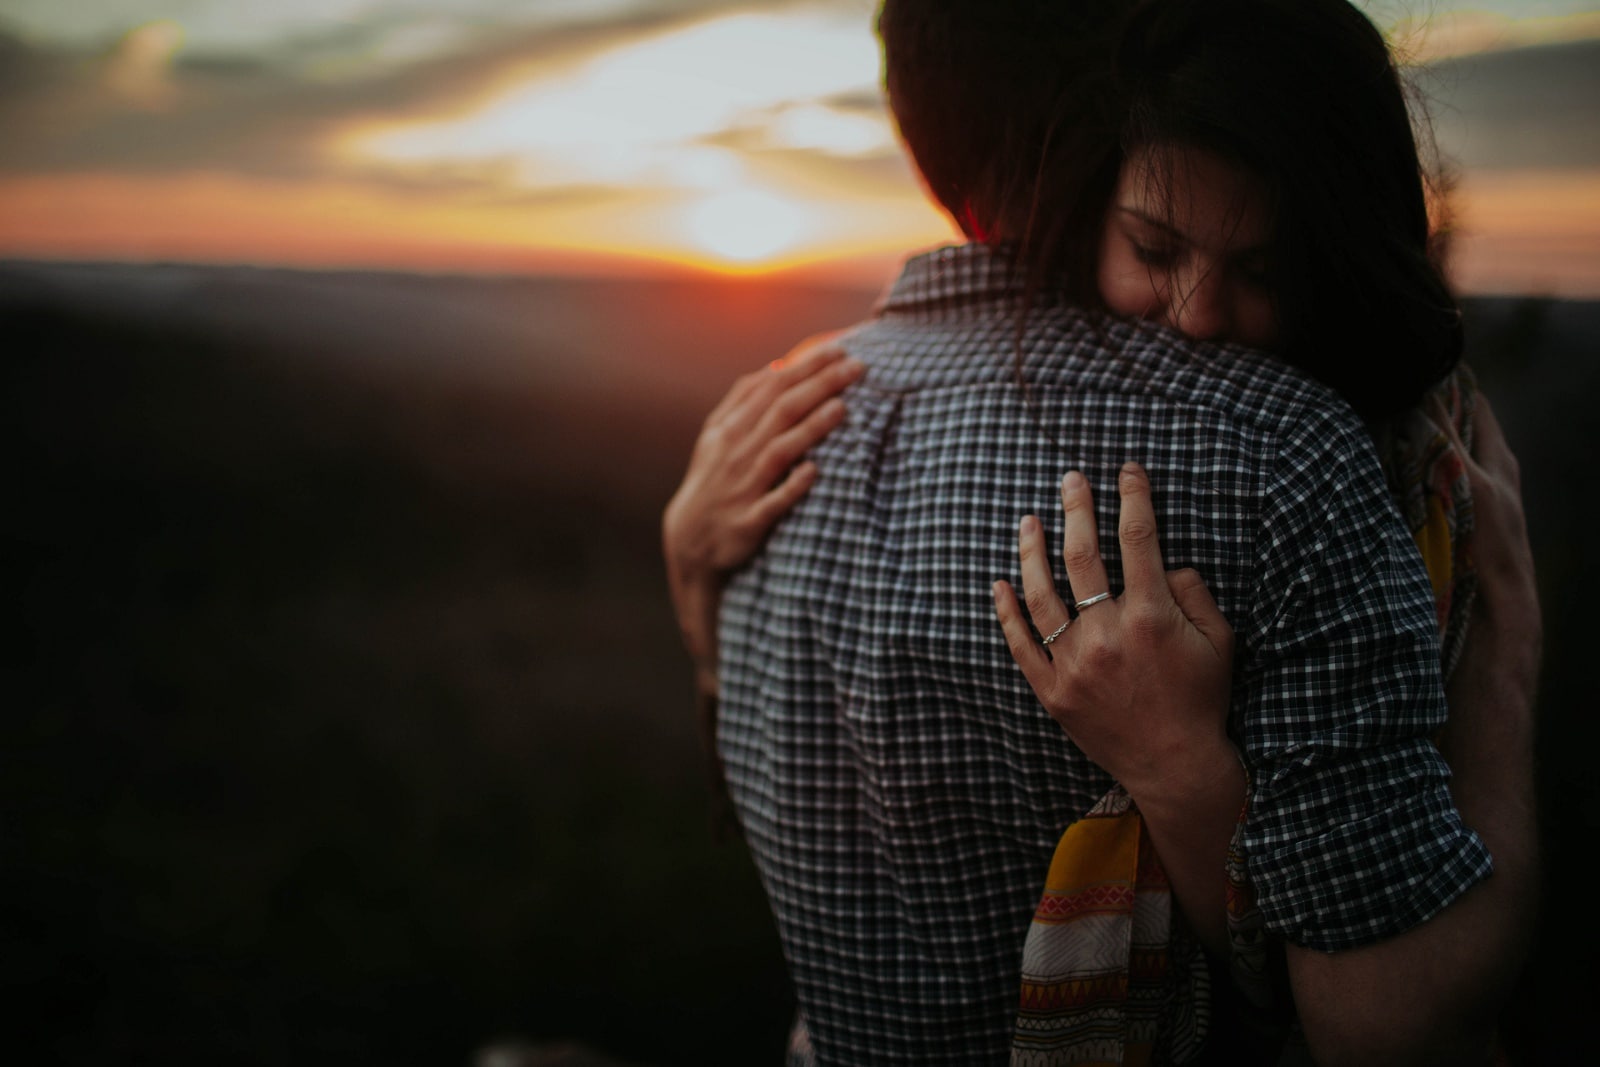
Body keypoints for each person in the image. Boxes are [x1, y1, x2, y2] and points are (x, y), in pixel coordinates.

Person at [661, 1, 1538, 1062]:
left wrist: (694, 580)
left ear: (916, 129)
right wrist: (1506, 653)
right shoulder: (1283, 449)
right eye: (1155, 248)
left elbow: (740, 787)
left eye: (1259, 269)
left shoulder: (769, 426)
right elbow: (1393, 1019)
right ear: (1100, 132)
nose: (1201, 317)